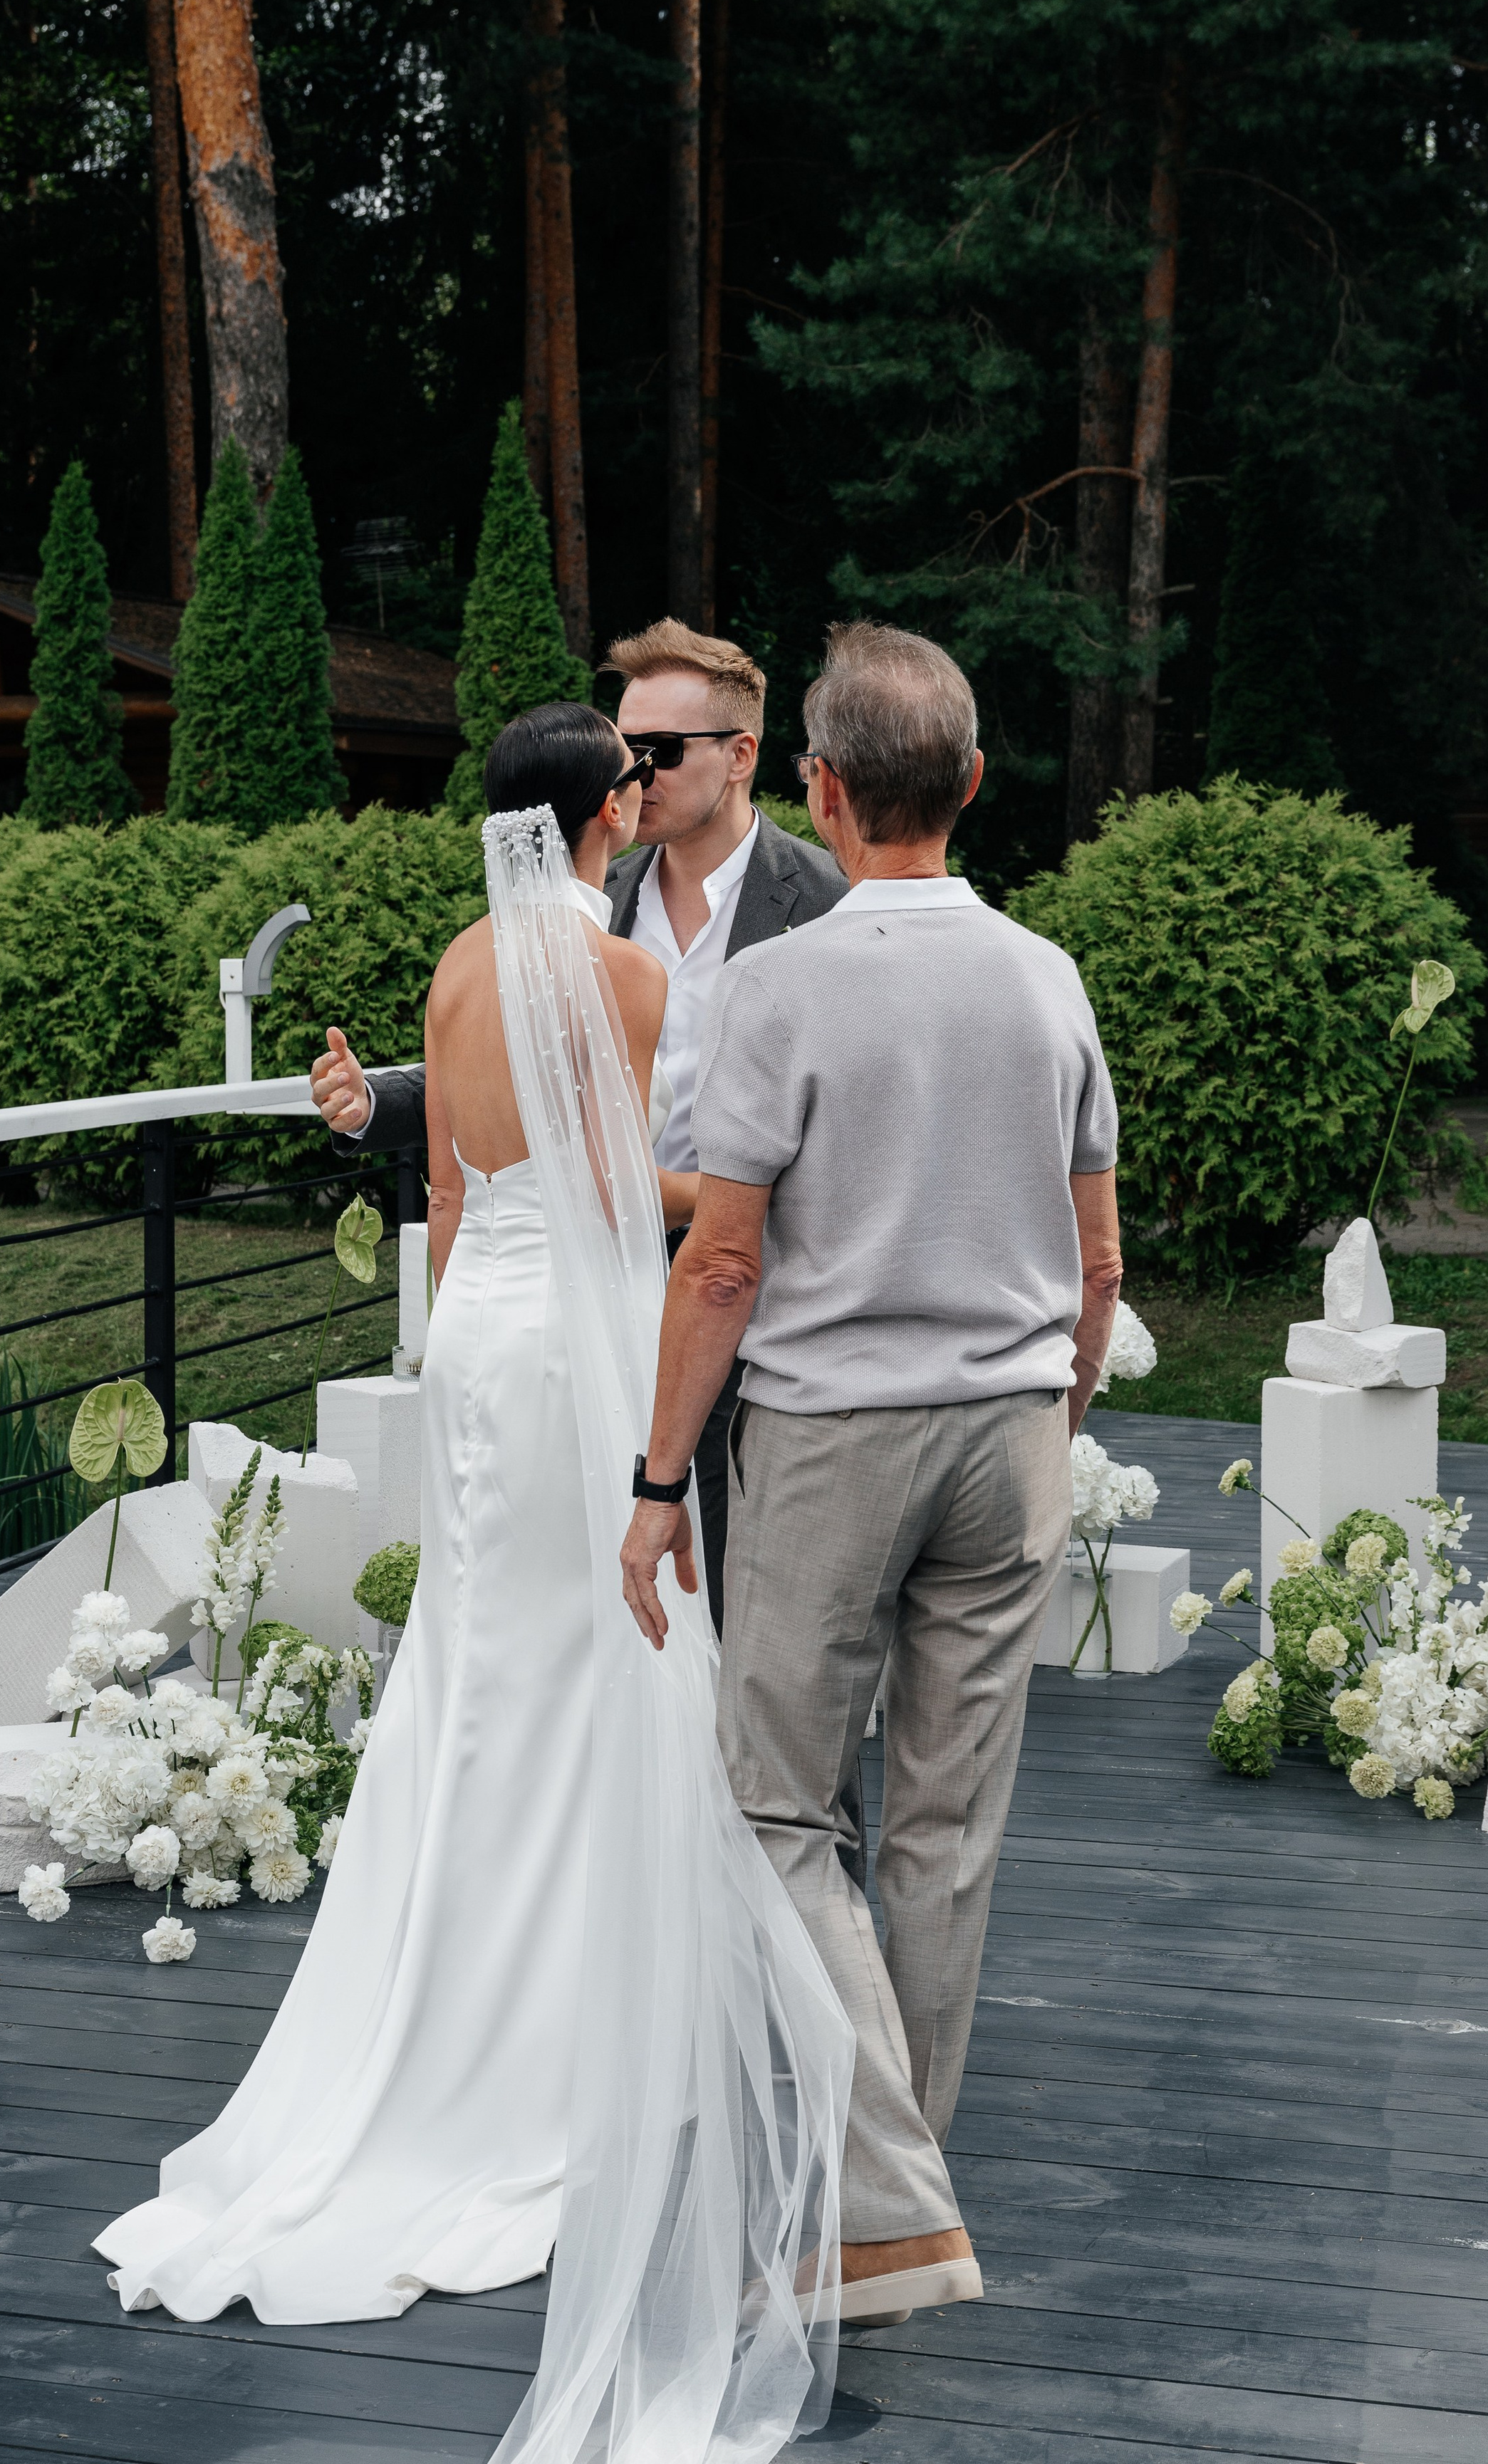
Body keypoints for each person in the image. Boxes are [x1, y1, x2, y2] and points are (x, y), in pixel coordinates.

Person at [96, 703, 853, 2464]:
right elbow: (629, 1203)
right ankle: (556, 2034)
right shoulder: (622, 979)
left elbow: (449, 1192)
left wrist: (462, 1343)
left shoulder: (451, 969)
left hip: (472, 1343)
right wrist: (756, 1189)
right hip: (575, 1339)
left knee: (477, 1669)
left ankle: (457, 1993)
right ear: (599, 813)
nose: (642, 796)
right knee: (596, 1658)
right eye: (629, 781)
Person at [618, 623, 1123, 2331]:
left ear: (819, 790)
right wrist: (1050, 1416)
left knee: (772, 1808)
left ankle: (890, 2212)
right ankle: (887, 2215)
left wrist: (657, 1480)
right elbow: (1100, 1259)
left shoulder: (776, 987)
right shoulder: (1047, 978)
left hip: (835, 1436)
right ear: (969, 781)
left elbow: (720, 1262)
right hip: (1010, 1431)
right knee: (943, 1832)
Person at [311, 621, 847, 1632]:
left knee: (757, 1609)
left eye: (661, 749)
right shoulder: (600, 898)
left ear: (740, 756)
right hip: (596, 1295)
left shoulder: (827, 900)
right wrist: (378, 1101)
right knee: (595, 1596)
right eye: (627, 749)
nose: (639, 771)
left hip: (769, 1293)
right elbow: (519, 1076)